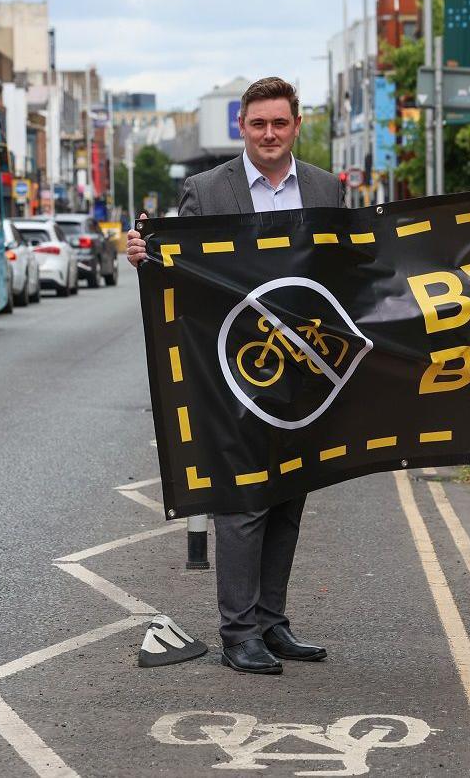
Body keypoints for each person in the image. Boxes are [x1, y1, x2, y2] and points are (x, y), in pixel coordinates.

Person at [127, 77, 343, 675]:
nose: (269, 134)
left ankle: (272, 624)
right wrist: (147, 259)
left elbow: (352, 275)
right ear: (242, 128)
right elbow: (181, 275)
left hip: (303, 376)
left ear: (296, 125)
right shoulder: (205, 190)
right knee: (244, 500)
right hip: (231, 374)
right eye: (258, 124)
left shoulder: (327, 187)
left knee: (288, 497)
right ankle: (238, 631)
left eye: (279, 123)